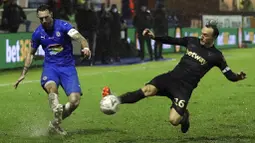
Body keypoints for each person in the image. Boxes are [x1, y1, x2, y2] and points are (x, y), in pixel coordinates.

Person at [102, 20, 246, 133]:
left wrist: (238, 77)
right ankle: (116, 99)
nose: (202, 36)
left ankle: (185, 117)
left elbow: (229, 74)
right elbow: (171, 40)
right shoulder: (192, 41)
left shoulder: (216, 56)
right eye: (202, 33)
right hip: (170, 78)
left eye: (206, 35)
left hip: (184, 89)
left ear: (214, 37)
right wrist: (154, 37)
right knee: (146, 90)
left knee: (174, 120)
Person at [14, 4, 91, 135]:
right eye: (41, 19)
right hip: (51, 68)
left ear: (51, 15)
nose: (44, 21)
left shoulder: (64, 26)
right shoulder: (38, 33)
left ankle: (55, 123)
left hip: (68, 68)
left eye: (46, 17)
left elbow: (81, 38)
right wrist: (23, 73)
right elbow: (31, 54)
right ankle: (56, 109)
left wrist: (86, 48)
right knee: (52, 89)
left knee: (74, 101)